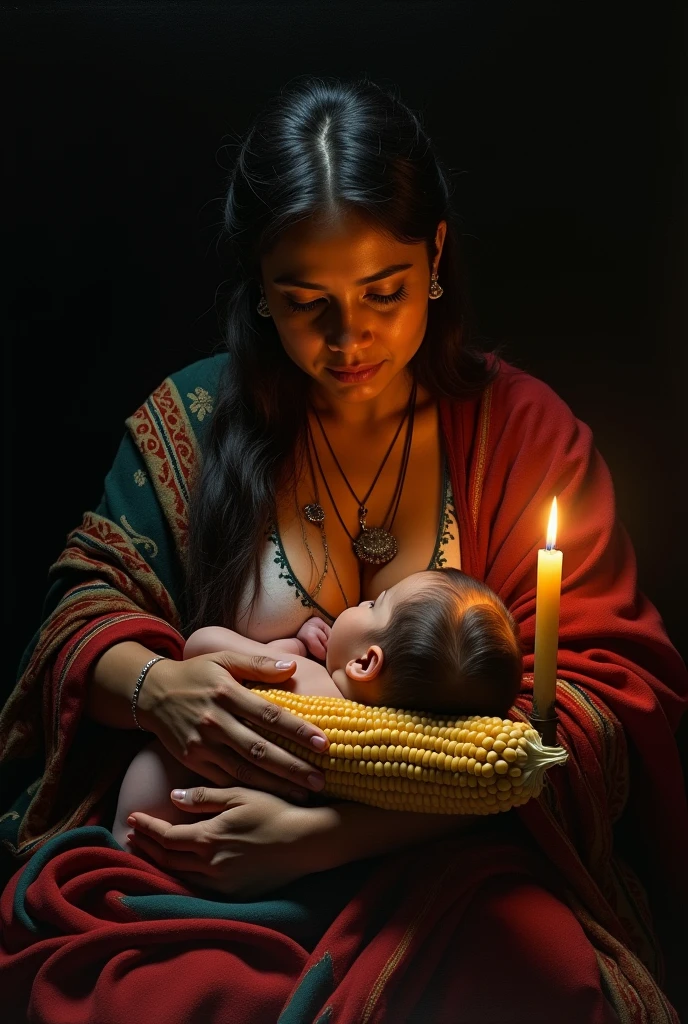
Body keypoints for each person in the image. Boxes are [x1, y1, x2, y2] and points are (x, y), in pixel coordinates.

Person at [1, 74, 686, 1024]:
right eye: (304, 300)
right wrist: (159, 689)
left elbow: (597, 701)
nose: (349, 336)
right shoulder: (192, 419)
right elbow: (85, 607)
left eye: (384, 291)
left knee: (538, 980)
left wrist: (329, 836)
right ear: (260, 291)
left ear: (435, 254)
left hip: (448, 857)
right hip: (206, 860)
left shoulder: (525, 436)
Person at [111, 568, 523, 853]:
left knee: (150, 770)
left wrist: (290, 647)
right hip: (253, 837)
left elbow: (201, 648)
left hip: (176, 791)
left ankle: (119, 852)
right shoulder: (394, 774)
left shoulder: (302, 679)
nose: (362, 600)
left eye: (374, 605)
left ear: (365, 664)